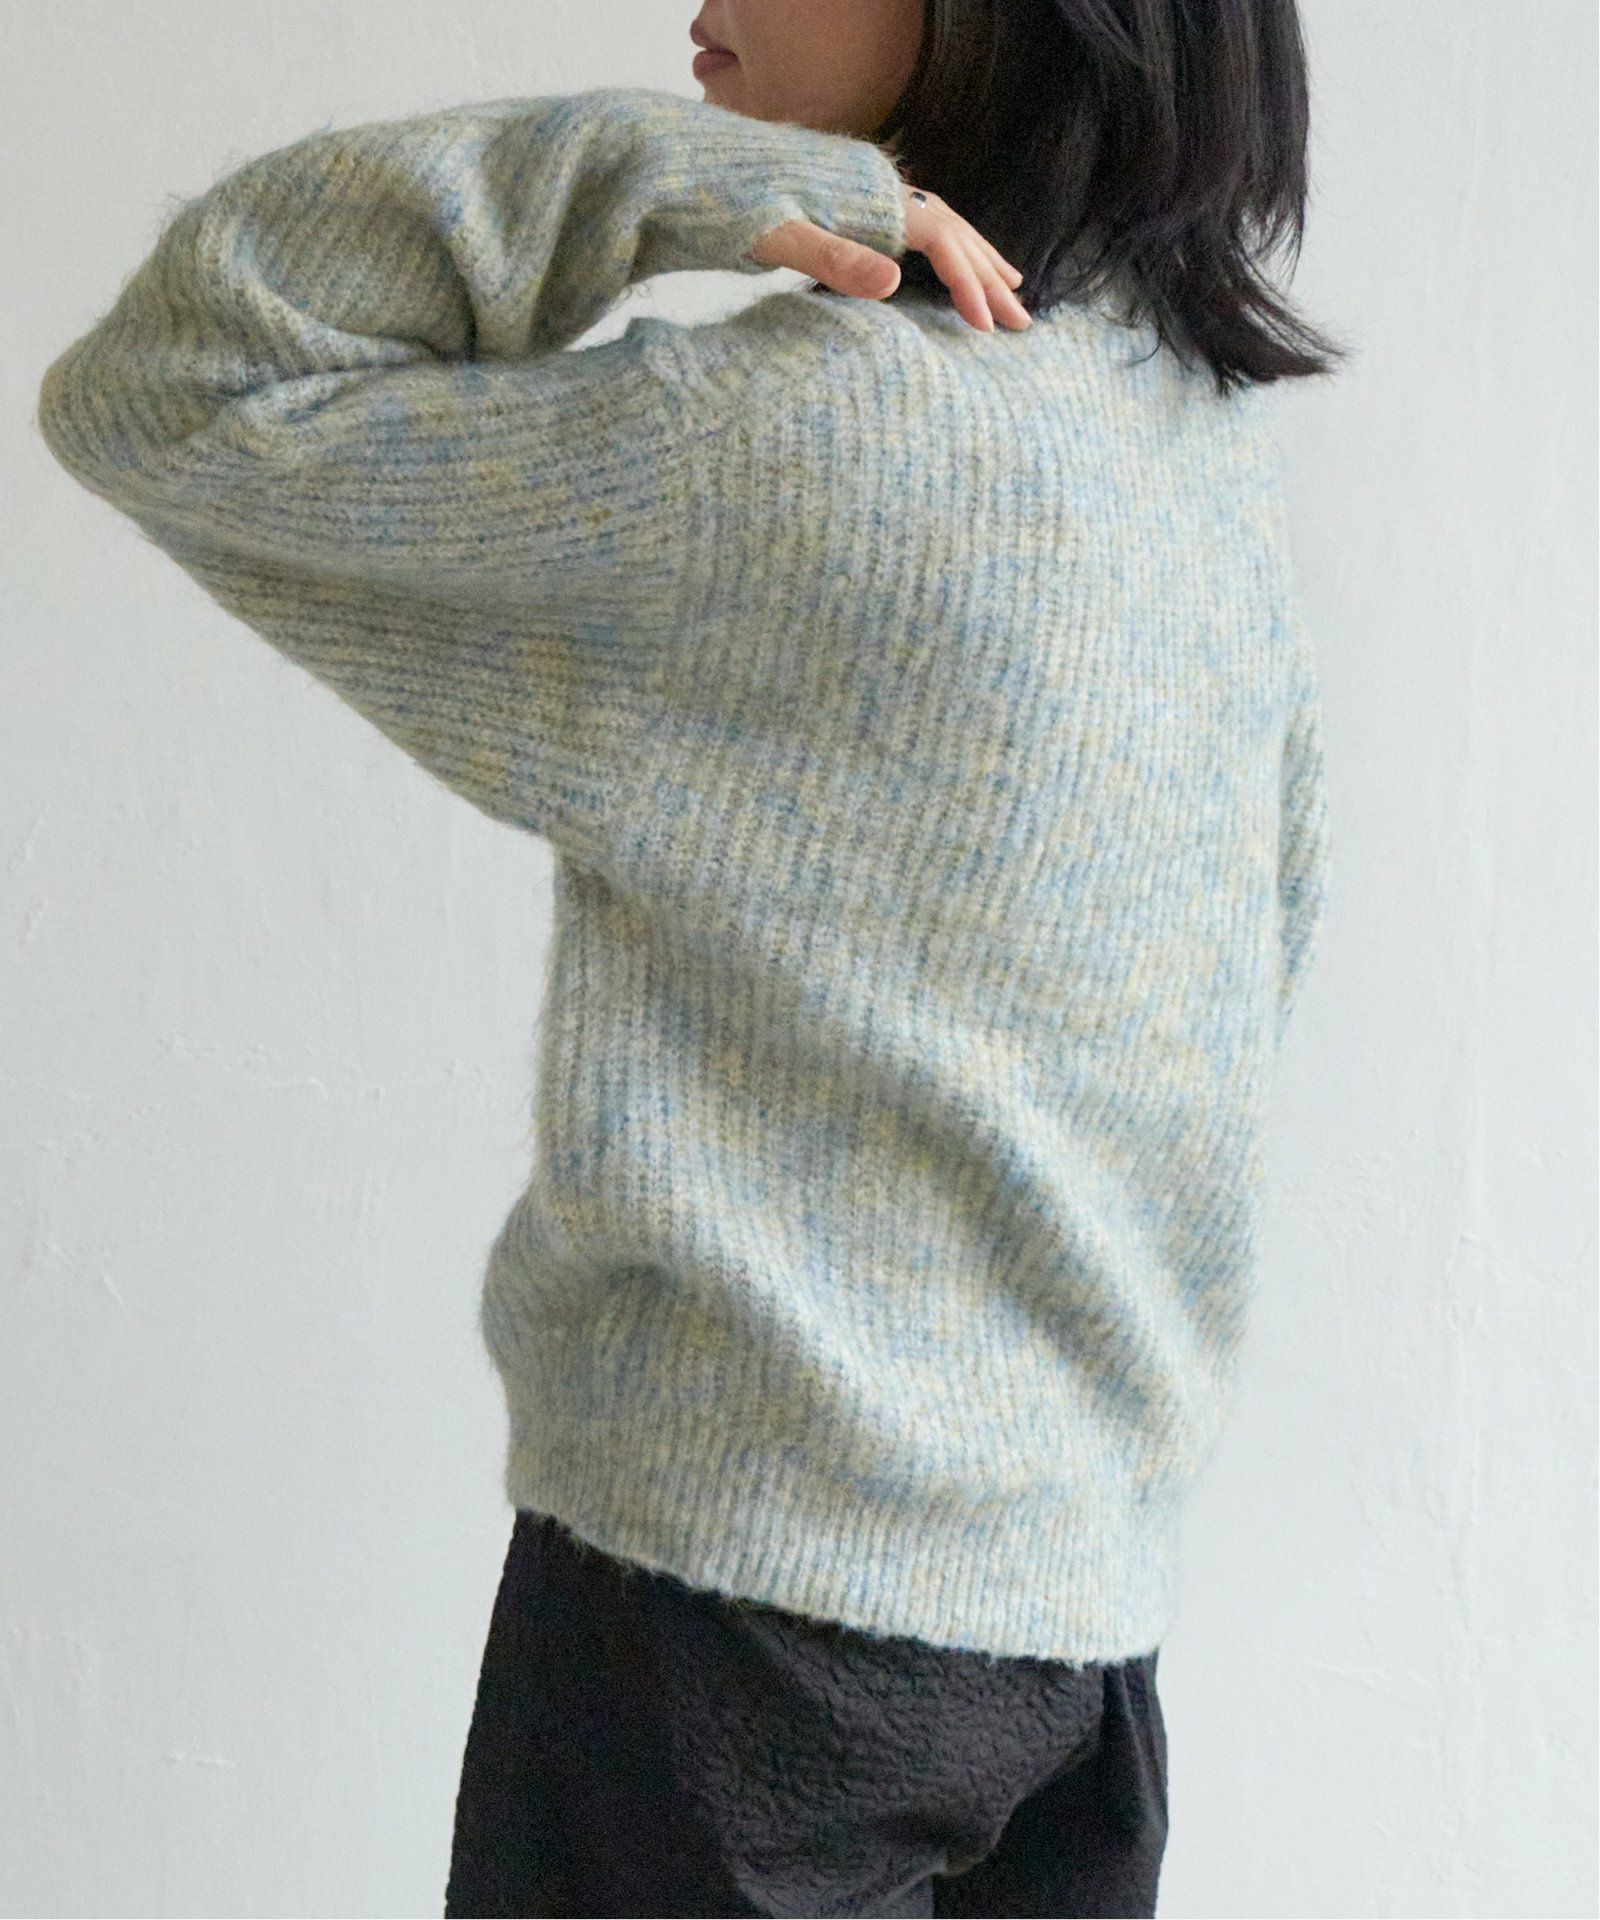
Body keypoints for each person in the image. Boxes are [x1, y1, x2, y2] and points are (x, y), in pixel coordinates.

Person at [35, 0, 1339, 1911]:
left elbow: (173, 384)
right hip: (1079, 1662)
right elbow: (1264, 958)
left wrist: (674, 181)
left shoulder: (790, 441)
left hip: (734, 1659)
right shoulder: (1194, 458)